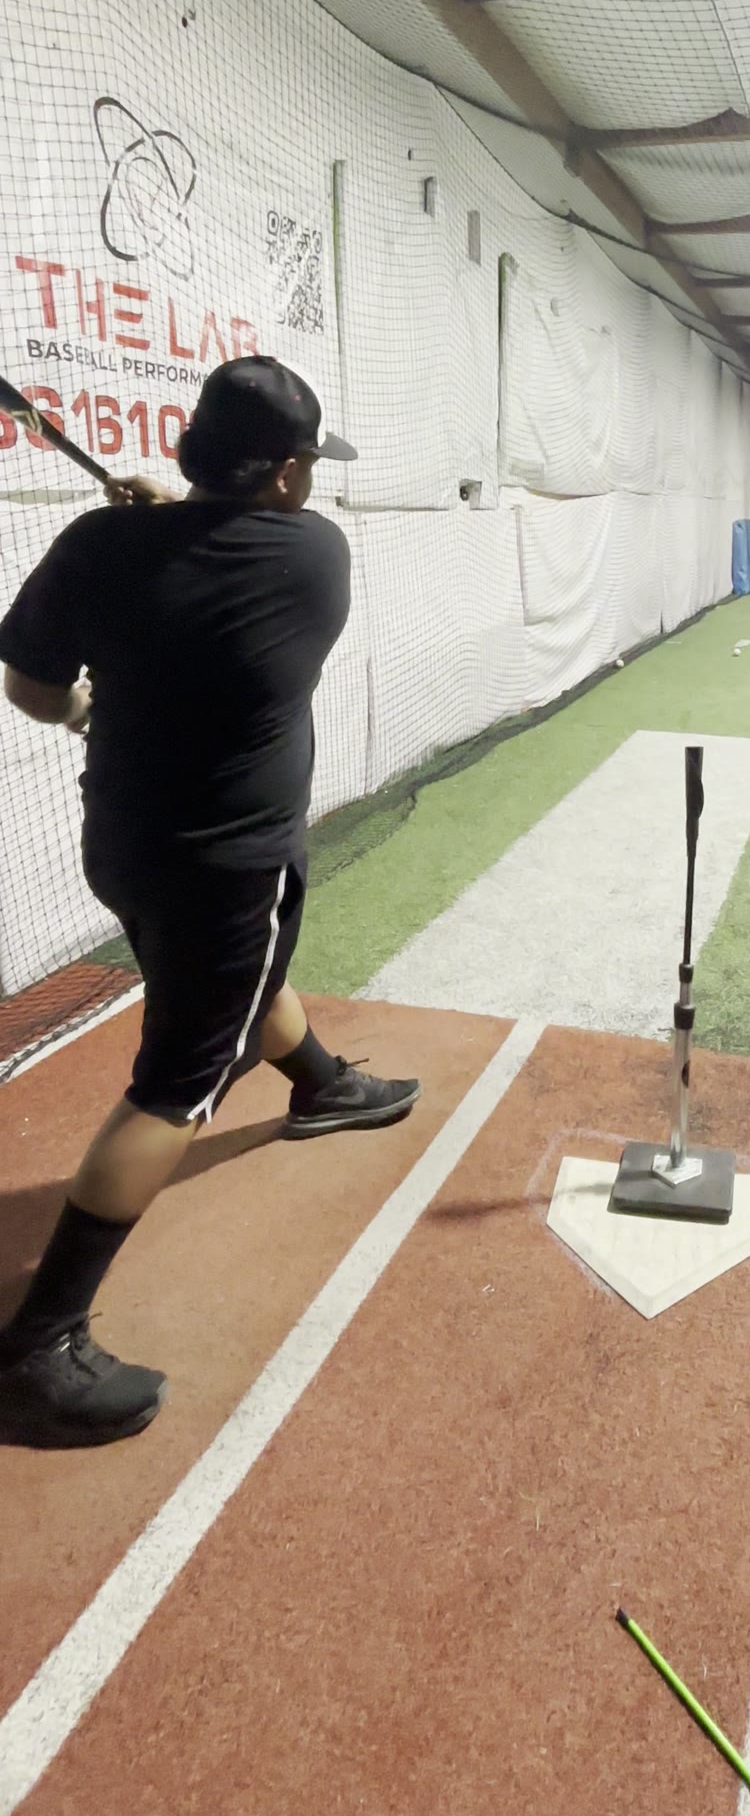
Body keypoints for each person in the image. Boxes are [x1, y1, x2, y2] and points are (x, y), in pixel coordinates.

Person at [0, 357, 420, 1448]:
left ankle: (322, 1084)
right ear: (282, 473)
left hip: (124, 847)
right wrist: (169, 527)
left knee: (228, 989)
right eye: (303, 467)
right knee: (178, 1082)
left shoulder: (97, 549)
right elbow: (214, 568)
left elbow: (37, 686)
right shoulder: (313, 556)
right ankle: (38, 1342)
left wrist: (148, 535)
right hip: (228, 863)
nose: (309, 485)